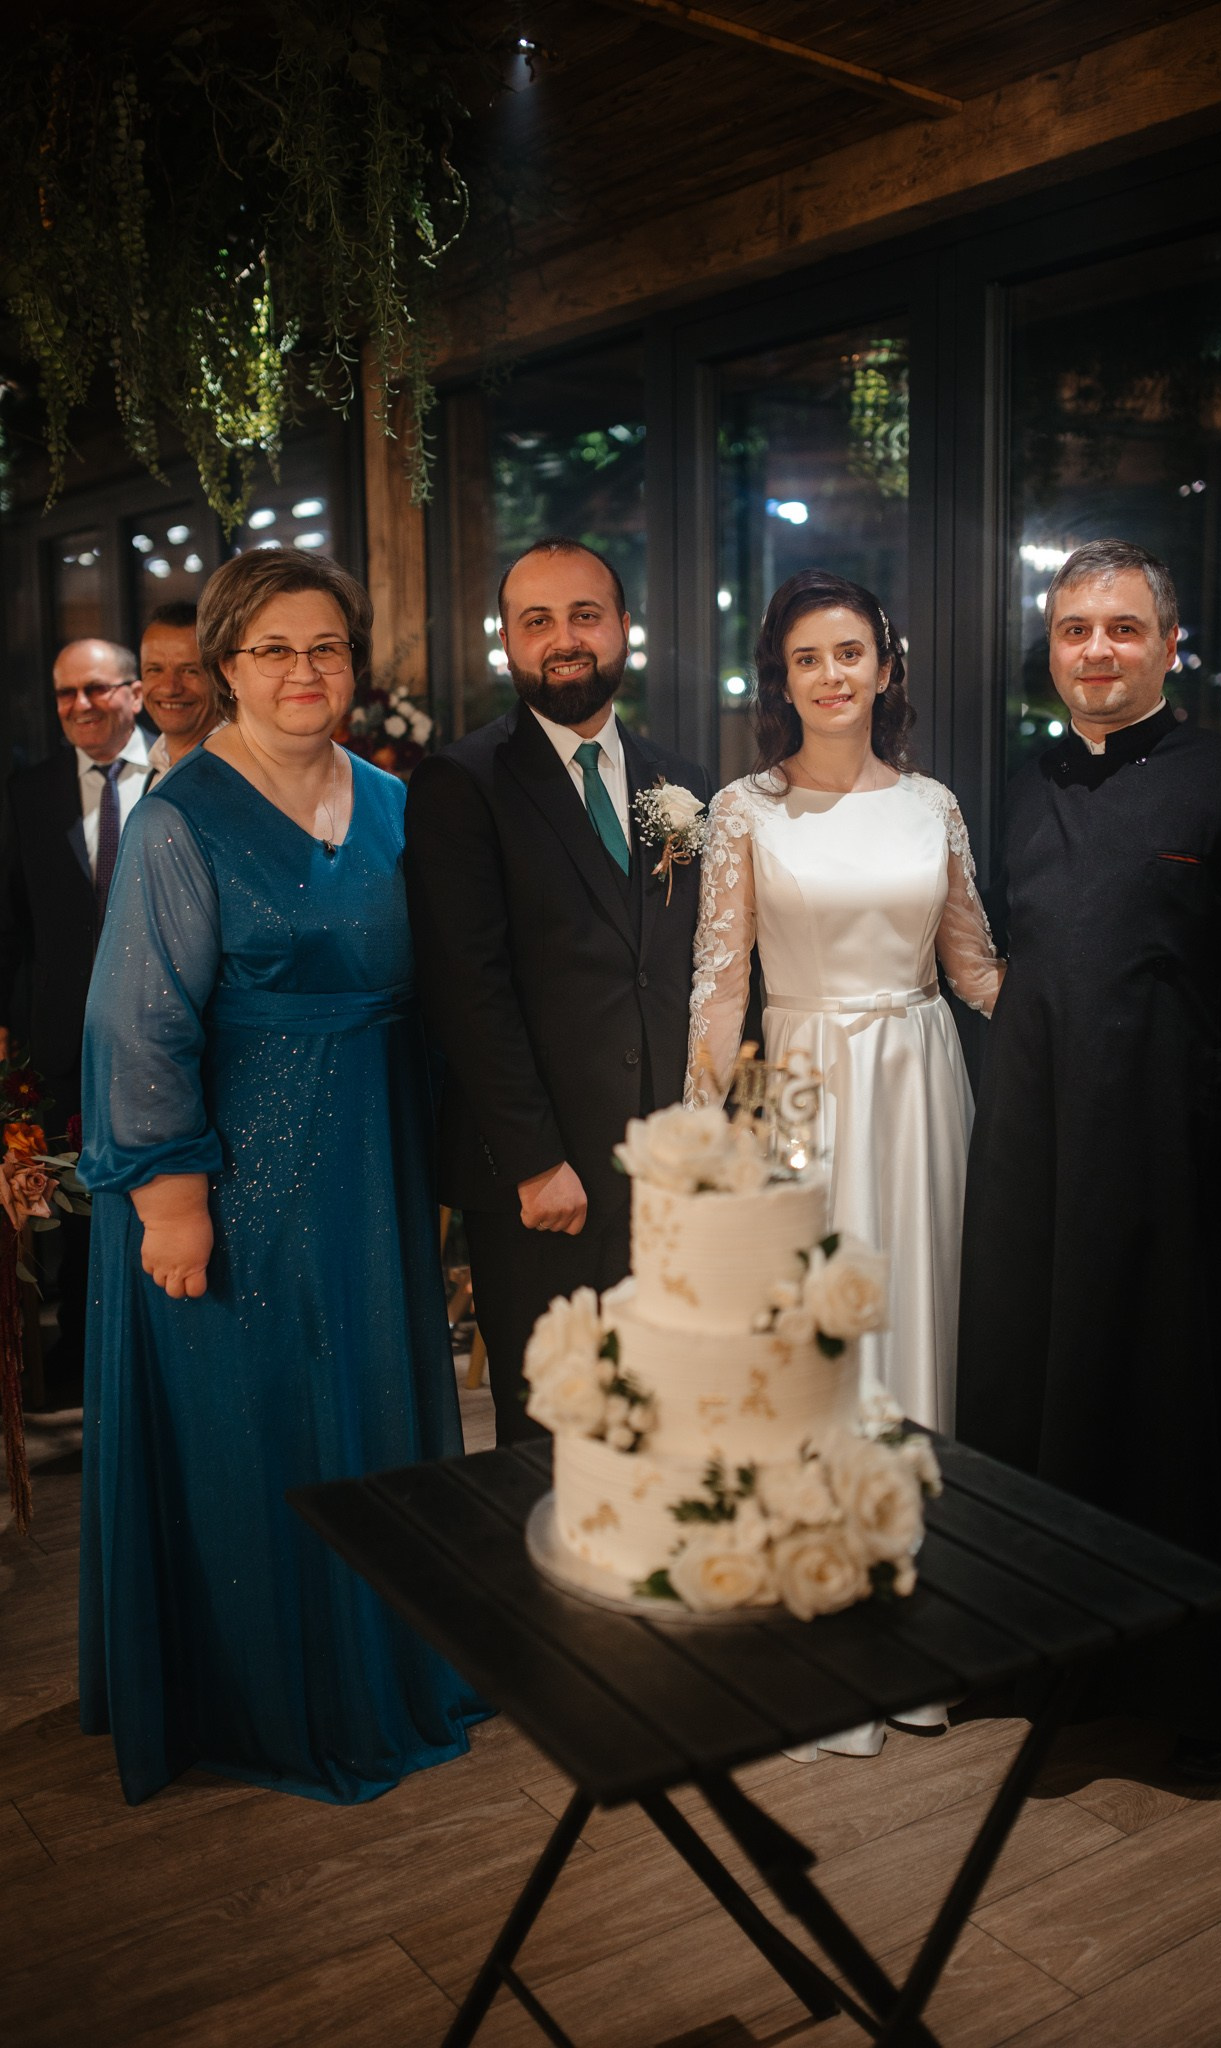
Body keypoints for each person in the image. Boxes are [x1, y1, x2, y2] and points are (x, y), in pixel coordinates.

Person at [78, 545, 487, 1804]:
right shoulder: (181, 818)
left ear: (354, 664)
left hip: (374, 1164)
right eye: (274, 649)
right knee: (256, 1425)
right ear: (225, 665)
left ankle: (383, 1663)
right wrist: (170, 1198)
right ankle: (268, 1692)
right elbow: (137, 1023)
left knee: (368, 1409)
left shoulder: (397, 804)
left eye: (326, 648)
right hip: (234, 1178)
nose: (304, 671)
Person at [956, 539, 1221, 1784]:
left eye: (1123, 628)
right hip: (1034, 1152)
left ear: (1169, 646)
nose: (1097, 650)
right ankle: (1051, 1669)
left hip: (1180, 1157)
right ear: (1051, 649)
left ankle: (1210, 1696)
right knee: (1040, 1404)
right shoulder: (1021, 786)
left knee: (1184, 1422)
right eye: (1075, 629)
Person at [405, 536, 713, 1445]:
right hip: (548, 1181)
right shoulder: (461, 784)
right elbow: (466, 988)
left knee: (675, 1416)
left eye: (585, 615)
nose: (565, 639)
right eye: (537, 621)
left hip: (668, 1170)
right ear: (506, 641)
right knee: (555, 1433)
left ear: (623, 627)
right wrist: (534, 1162)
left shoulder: (682, 782)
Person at [687, 569, 1002, 1428]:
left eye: (850, 653)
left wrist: (1086, 1010)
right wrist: (698, 1138)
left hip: (919, 1078)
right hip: (799, 1081)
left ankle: (928, 1470)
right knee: (807, 1293)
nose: (831, 675)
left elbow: (974, 971)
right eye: (807, 659)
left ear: (885, 668)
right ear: (783, 682)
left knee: (921, 1279)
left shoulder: (932, 806)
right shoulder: (743, 810)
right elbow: (721, 988)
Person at [0, 638, 151, 1407]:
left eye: (96, 688)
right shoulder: (29, 793)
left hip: (167, 1031)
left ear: (135, 692)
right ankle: (88, 1356)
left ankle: (158, 1348)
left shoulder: (184, 773)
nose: (80, 706)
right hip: (66, 1040)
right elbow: (12, 925)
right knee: (80, 1205)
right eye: (66, 694)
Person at [139, 599, 221, 779]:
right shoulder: (156, 764)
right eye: (155, 670)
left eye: (189, 671)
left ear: (222, 676)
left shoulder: (241, 771)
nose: (170, 689)